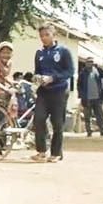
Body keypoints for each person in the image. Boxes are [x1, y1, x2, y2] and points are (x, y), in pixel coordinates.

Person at [32, 24, 75, 162]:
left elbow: (70, 71)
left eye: (47, 35)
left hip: (59, 91)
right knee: (38, 119)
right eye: (41, 36)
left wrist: (53, 78)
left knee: (57, 123)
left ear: (53, 35)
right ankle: (41, 151)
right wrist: (37, 77)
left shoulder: (63, 51)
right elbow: (37, 71)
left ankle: (56, 153)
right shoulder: (39, 53)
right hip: (43, 92)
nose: (44, 38)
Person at [78, 57, 103, 137]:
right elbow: (79, 85)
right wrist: (82, 95)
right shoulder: (82, 73)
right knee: (87, 117)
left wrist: (100, 68)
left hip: (97, 98)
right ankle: (89, 131)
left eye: (91, 62)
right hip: (87, 98)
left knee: (100, 115)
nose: (90, 63)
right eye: (88, 62)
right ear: (85, 63)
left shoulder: (97, 71)